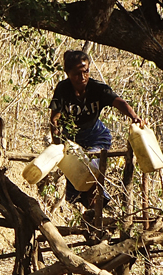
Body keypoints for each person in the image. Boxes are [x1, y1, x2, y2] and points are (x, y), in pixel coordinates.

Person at [48, 50, 143, 207]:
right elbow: (54, 118)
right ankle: (90, 214)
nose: (83, 77)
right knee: (77, 182)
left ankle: (98, 207)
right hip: (72, 140)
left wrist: (134, 116)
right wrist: (57, 143)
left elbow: (119, 102)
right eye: (77, 73)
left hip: (96, 136)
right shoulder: (63, 89)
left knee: (91, 168)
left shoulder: (97, 88)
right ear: (68, 73)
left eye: (86, 71)